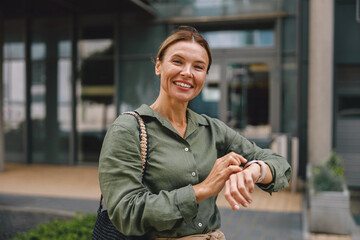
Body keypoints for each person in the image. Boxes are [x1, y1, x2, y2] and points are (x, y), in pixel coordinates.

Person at [99, 26, 291, 240]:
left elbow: (280, 164)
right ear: (159, 66)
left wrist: (254, 170)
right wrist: (202, 189)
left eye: (198, 67)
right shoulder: (128, 128)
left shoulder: (212, 129)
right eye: (178, 62)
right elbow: (126, 212)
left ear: (205, 76)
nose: (187, 73)